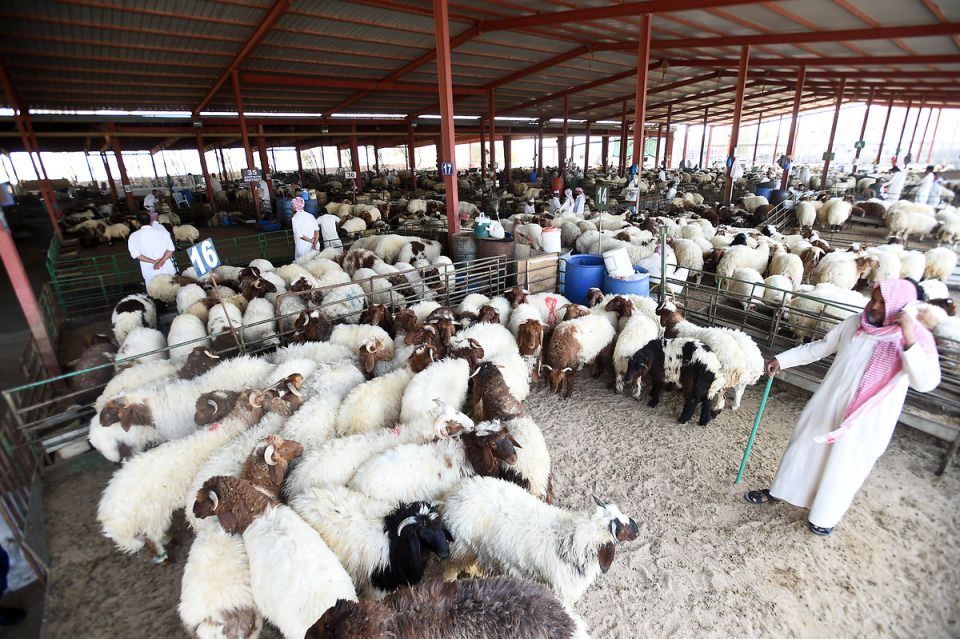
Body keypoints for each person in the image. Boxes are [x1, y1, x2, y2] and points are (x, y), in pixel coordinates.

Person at [746, 280, 940, 536]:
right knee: (803, 449)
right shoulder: (856, 324)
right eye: (874, 298)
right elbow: (821, 347)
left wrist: (909, 338)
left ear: (899, 306)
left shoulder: (914, 339)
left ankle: (823, 517)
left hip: (866, 422)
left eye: (883, 302)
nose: (874, 305)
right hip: (829, 404)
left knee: (843, 469)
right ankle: (779, 490)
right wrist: (783, 360)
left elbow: (925, 382)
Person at [128, 212, 175, 287]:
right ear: (150, 221)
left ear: (137, 222)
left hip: (150, 273)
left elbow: (136, 255)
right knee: (172, 292)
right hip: (168, 270)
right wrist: (160, 262)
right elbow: (170, 250)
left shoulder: (133, 236)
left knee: (155, 295)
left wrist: (154, 261)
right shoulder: (163, 232)